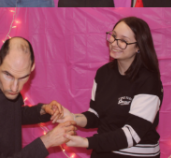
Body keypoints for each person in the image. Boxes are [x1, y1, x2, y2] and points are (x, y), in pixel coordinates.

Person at [61, 17, 164, 157]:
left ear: (139, 46)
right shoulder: (103, 73)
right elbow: (95, 115)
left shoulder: (149, 80)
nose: (114, 43)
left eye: (123, 40)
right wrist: (72, 118)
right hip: (102, 151)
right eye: (113, 36)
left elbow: (133, 134)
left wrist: (86, 142)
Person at [0, 37, 75, 158]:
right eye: (8, 75)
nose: (15, 88)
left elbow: (12, 114)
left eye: (22, 78)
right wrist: (47, 141)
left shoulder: (8, 77)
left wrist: (43, 110)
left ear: (32, 68)